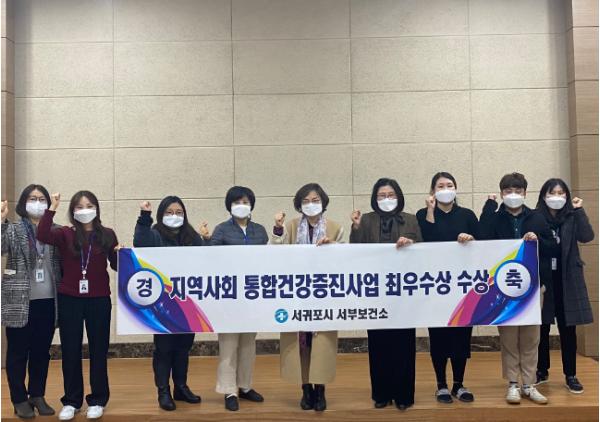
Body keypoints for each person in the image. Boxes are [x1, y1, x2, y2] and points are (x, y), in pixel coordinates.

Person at [37, 191, 119, 420]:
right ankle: (72, 401)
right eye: (80, 207)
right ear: (73, 211)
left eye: (89, 206)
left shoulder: (107, 234)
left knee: (98, 350)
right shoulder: (65, 233)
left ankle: (98, 399)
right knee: (70, 349)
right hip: (70, 298)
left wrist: (120, 254)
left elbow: (116, 265)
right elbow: (42, 233)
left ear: (97, 209)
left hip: (99, 299)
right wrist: (52, 207)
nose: (85, 210)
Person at [479, 172, 553, 405]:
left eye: (518, 191)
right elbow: (482, 238)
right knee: (509, 338)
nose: (513, 195)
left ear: (525, 193)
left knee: (531, 338)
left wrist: (537, 240)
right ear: (502, 193)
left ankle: (529, 384)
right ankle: (512, 383)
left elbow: (552, 246)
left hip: (533, 287)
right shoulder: (495, 217)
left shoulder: (537, 217)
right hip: (503, 288)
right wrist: (488, 207)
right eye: (508, 191)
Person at [349, 177, 422, 410]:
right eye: (381, 195)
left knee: (403, 344)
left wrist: (411, 243)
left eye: (391, 195)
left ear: (399, 197)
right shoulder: (366, 220)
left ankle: (403, 395)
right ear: (374, 198)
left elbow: (424, 250)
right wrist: (356, 227)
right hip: (376, 292)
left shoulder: (411, 219)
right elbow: (355, 252)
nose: (386, 199)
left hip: (403, 292)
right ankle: (381, 393)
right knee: (379, 345)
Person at [271, 183, 343, 412]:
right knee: (301, 342)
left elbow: (346, 258)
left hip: (324, 294)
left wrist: (333, 247)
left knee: (322, 343)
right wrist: (278, 229)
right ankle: (305, 389)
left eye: (315, 200)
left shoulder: (335, 227)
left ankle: (320, 389)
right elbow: (275, 252)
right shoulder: (291, 226)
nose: (311, 205)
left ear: (323, 202)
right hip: (297, 294)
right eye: (306, 201)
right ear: (299, 205)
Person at [134, 197, 207, 410]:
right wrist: (144, 216)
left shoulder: (191, 236)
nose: (174, 216)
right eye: (169, 212)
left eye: (179, 212)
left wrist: (206, 239)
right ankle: (163, 391)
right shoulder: (155, 234)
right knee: (164, 349)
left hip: (187, 303)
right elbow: (140, 242)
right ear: (161, 215)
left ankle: (181, 387)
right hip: (163, 304)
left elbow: (206, 260)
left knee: (184, 347)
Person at [416, 172, 478, 404]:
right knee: (439, 336)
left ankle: (459, 384)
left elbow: (483, 245)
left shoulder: (467, 215)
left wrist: (470, 239)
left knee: (461, 338)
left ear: (456, 188)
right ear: (432, 191)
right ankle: (441, 385)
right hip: (435, 286)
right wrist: (431, 211)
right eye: (440, 186)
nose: (445, 189)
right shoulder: (423, 215)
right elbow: (427, 240)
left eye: (449, 185)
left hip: (463, 286)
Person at [1, 185, 61, 419]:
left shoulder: (55, 230)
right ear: (23, 203)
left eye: (42, 199)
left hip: (48, 300)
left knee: (41, 352)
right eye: (32, 198)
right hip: (19, 300)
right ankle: (19, 399)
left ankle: (37, 395)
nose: (37, 203)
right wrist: (1, 221)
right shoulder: (13, 229)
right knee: (17, 353)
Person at [211, 186, 268, 411]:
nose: (241, 206)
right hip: (229, 295)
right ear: (229, 206)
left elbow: (269, 258)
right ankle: (229, 390)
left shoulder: (260, 231)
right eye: (236, 202)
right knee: (229, 344)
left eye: (245, 202)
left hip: (252, 294)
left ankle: (244, 386)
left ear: (251, 205)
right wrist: (205, 239)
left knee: (248, 343)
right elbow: (211, 257)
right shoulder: (221, 230)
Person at [534, 178, 594, 393]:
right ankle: (541, 370)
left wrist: (579, 210)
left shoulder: (571, 215)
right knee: (541, 327)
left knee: (568, 329)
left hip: (567, 279)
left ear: (567, 196)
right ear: (544, 196)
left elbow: (587, 236)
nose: (556, 197)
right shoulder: (536, 217)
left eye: (561, 193)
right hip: (543, 279)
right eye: (552, 193)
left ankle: (571, 374)